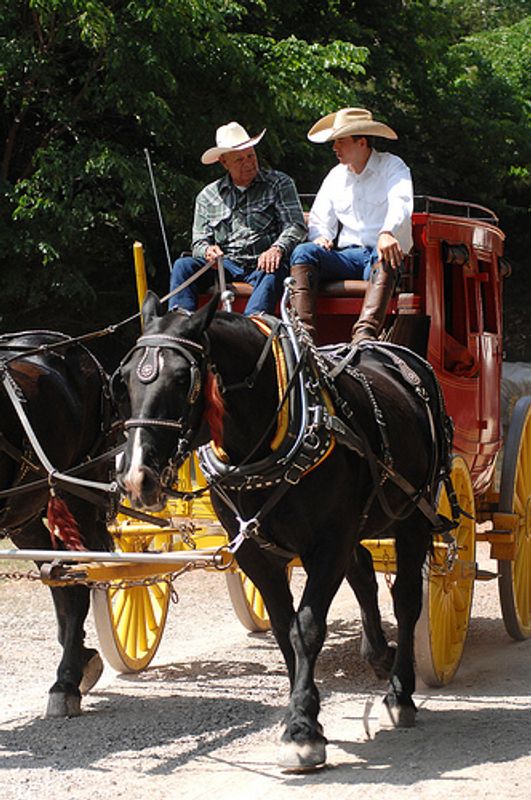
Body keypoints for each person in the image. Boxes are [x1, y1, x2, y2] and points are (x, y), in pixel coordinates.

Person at [289, 107, 413, 343]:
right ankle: (302, 335)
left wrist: (387, 232)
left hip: (379, 257)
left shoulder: (392, 166)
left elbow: (402, 203)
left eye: (341, 141)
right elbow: (319, 218)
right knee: (303, 252)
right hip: (346, 257)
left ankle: (364, 335)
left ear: (362, 142)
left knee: (386, 255)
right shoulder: (335, 176)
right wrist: (321, 237)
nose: (335, 148)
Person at [169, 121, 306, 315]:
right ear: (224, 162)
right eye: (240, 159)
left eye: (251, 155)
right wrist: (208, 251)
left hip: (265, 264)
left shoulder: (279, 184)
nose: (249, 163)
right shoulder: (207, 196)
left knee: (273, 271)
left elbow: (296, 226)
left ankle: (253, 324)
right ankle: (180, 323)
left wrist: (277, 249)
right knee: (183, 266)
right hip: (226, 266)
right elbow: (198, 242)